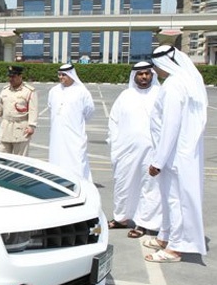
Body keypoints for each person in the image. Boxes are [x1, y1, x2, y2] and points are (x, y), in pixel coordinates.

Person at [143, 45, 208, 263]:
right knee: (171, 198)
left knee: (175, 200)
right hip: (181, 153)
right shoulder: (185, 81)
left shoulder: (173, 86)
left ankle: (175, 248)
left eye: (154, 66)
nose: (154, 71)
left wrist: (158, 161)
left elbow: (170, 127)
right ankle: (166, 236)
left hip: (173, 155)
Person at [107, 61, 162, 238]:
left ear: (152, 75)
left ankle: (145, 223)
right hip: (126, 150)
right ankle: (121, 218)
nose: (144, 77)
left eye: (147, 73)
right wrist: (115, 144)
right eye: (140, 74)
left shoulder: (160, 94)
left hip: (152, 150)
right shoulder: (125, 95)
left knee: (150, 186)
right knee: (123, 183)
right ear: (134, 76)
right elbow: (114, 121)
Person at [48, 64, 95, 181]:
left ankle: (79, 183)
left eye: (64, 75)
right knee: (57, 158)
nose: (61, 77)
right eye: (59, 74)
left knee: (76, 160)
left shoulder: (82, 92)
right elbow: (50, 107)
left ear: (71, 75)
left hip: (75, 134)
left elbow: (89, 111)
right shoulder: (54, 91)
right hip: (57, 135)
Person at [0, 65, 38, 156]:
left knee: (20, 160)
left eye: (13, 77)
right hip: (5, 127)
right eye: (9, 76)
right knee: (2, 157)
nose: (11, 79)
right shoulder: (5, 90)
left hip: (21, 128)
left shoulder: (29, 91)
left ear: (20, 76)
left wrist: (31, 126)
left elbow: (33, 110)